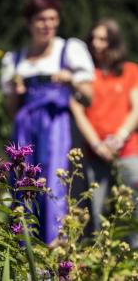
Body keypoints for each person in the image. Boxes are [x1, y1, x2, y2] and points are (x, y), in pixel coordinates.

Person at [0, 0, 94, 244]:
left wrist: (71, 80)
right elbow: (10, 109)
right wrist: (16, 93)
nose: (48, 25)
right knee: (25, 183)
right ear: (29, 23)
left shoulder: (69, 50)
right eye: (41, 19)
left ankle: (57, 245)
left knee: (55, 180)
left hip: (58, 127)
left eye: (53, 19)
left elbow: (88, 97)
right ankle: (26, 247)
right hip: (25, 128)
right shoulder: (15, 59)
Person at [71, 18, 138, 245]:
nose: (96, 44)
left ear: (114, 42)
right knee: (97, 209)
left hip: (128, 150)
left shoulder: (130, 71)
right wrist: (98, 145)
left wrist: (118, 138)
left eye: (103, 39)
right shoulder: (85, 76)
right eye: (93, 38)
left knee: (133, 207)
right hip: (93, 153)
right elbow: (78, 111)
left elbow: (136, 109)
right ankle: (101, 260)